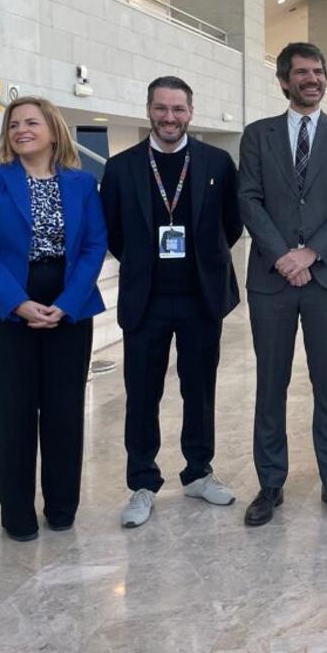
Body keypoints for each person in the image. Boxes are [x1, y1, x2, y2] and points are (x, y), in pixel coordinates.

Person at [100, 76, 244, 529]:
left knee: (199, 391)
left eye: (178, 109)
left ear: (191, 113)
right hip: (147, 300)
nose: (169, 117)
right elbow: (114, 233)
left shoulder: (216, 161)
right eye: (161, 108)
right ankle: (142, 482)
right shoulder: (121, 168)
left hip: (201, 297)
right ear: (148, 110)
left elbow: (232, 225)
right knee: (142, 393)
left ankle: (199, 472)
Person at [0, 97, 106, 541]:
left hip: (69, 304)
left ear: (53, 129)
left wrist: (68, 300)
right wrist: (18, 303)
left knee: (64, 410)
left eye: (31, 122)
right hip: (9, 306)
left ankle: (62, 506)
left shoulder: (82, 184)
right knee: (12, 412)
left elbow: (92, 247)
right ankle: (17, 514)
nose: (21, 130)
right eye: (13, 125)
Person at [238, 42, 327, 526]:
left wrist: (310, 254)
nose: (312, 79)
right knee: (270, 384)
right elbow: (249, 199)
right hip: (272, 280)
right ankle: (270, 485)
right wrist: (284, 257)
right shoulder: (258, 135)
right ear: (284, 80)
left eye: (318, 71)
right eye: (302, 72)